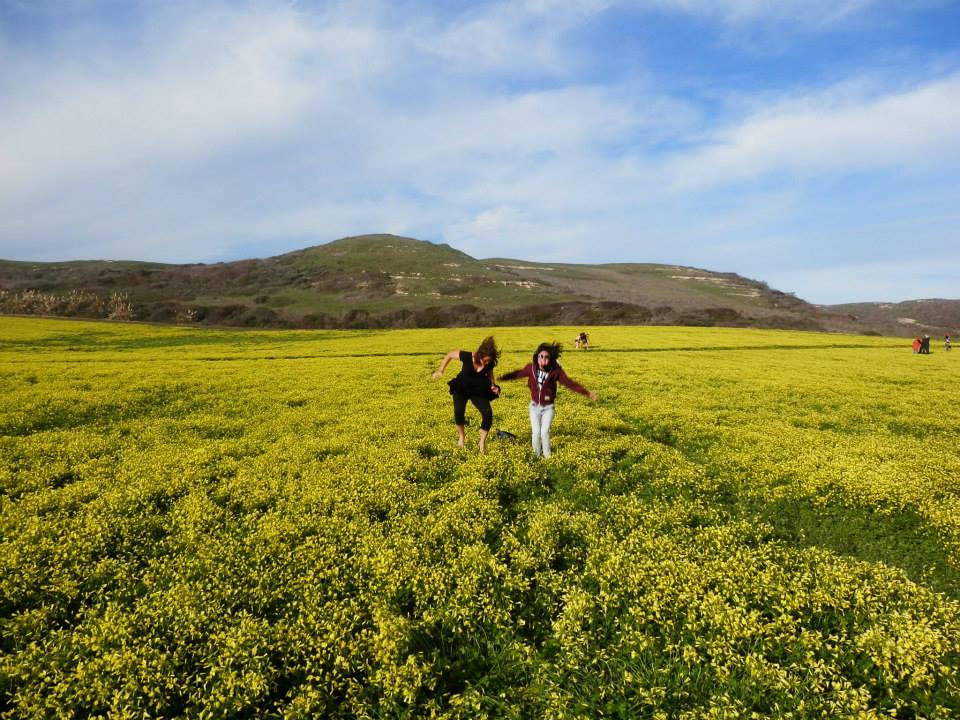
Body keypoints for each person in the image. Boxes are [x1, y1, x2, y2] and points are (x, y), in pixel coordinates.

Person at [500, 342, 597, 458]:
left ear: (551, 359)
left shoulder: (556, 372)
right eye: (541, 356)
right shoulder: (531, 368)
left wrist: (587, 393)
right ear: (537, 357)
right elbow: (517, 374)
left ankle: (548, 457)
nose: (543, 360)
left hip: (548, 408)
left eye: (546, 357)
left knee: (544, 432)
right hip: (534, 407)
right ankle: (536, 455)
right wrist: (503, 378)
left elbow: (569, 383)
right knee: (536, 433)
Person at [432, 336, 501, 452]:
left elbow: (490, 375)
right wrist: (441, 370)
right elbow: (449, 355)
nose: (487, 362)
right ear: (480, 355)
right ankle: (461, 438)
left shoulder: (490, 363)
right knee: (458, 412)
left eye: (489, 360)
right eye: (486, 360)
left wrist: (493, 385)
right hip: (462, 387)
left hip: (478, 389)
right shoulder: (468, 356)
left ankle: (482, 443)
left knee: (488, 413)